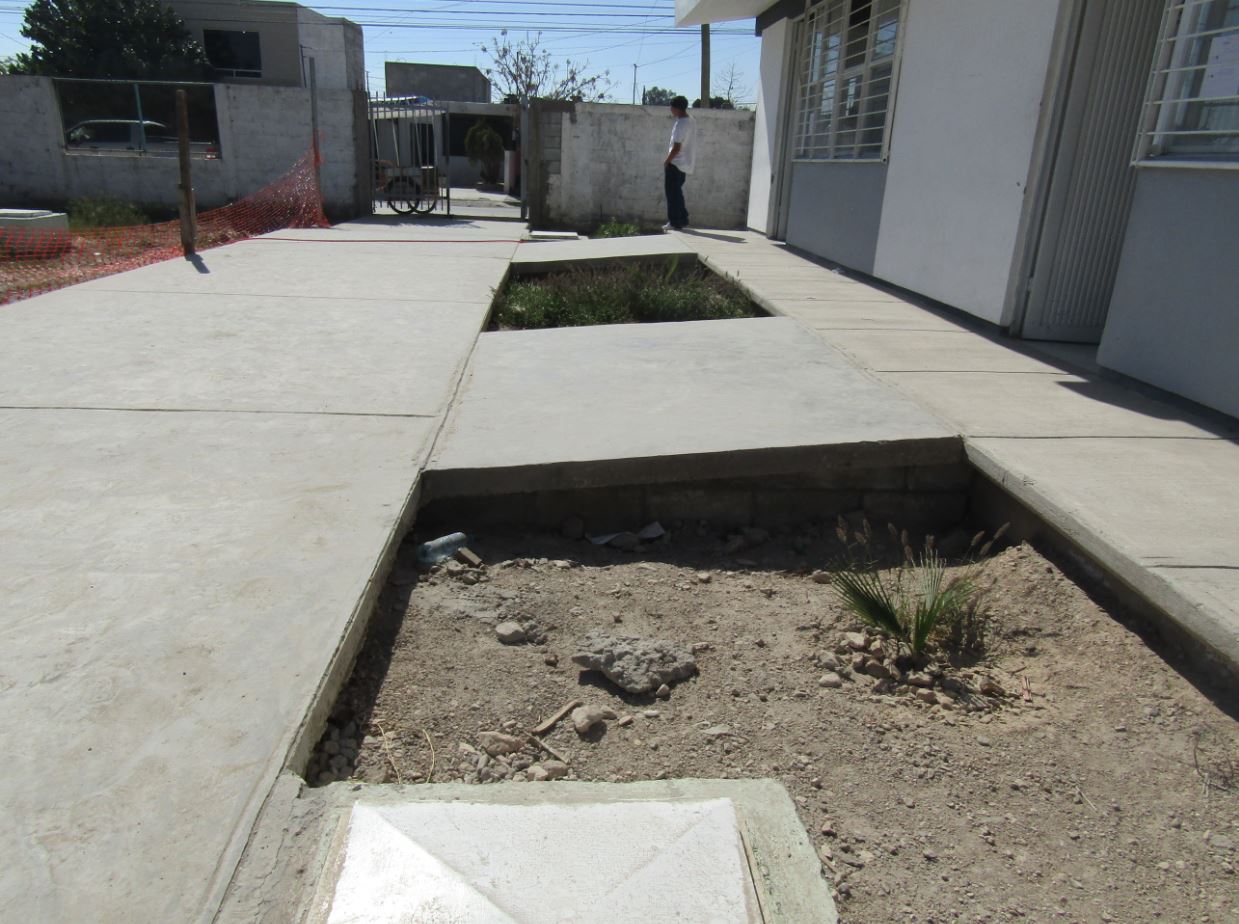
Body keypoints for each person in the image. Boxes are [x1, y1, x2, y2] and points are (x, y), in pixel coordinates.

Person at [663, 96, 695, 231]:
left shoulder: (681, 124)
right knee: (677, 193)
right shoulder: (691, 120)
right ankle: (682, 219)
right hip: (684, 164)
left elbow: (676, 147)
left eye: (672, 107)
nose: (670, 109)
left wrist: (667, 161)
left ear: (677, 108)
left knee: (672, 194)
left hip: (675, 163)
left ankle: (674, 221)